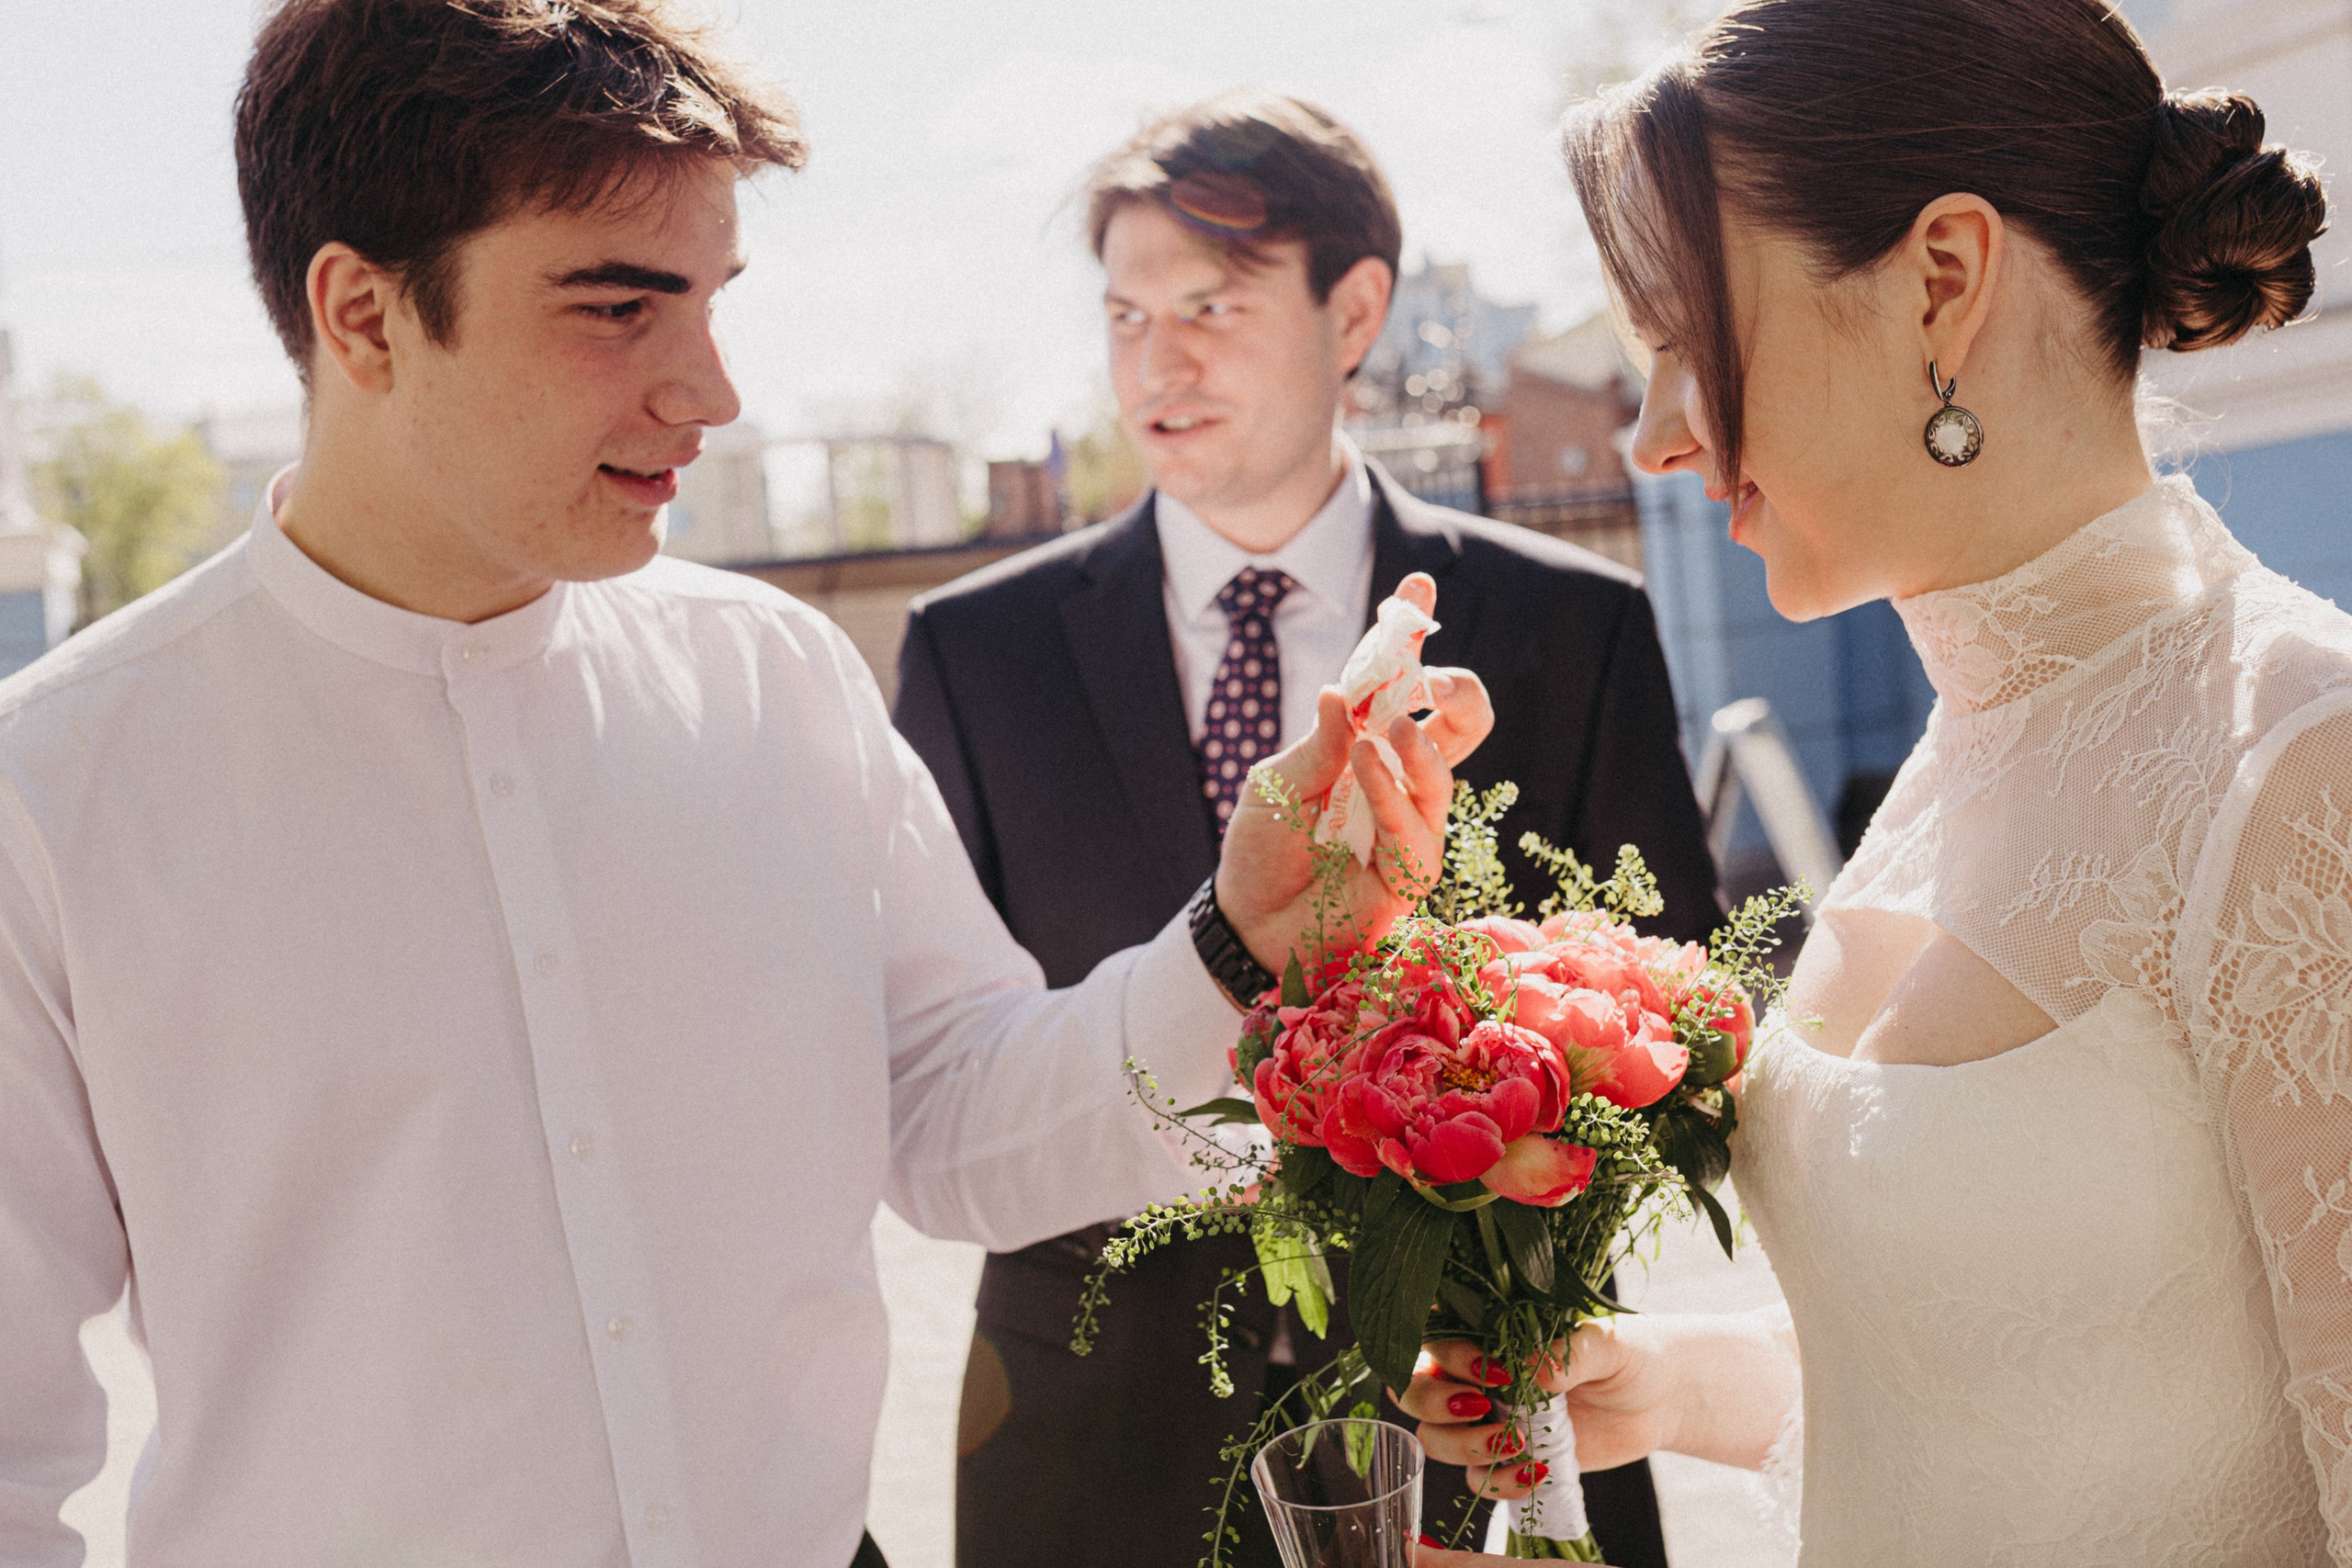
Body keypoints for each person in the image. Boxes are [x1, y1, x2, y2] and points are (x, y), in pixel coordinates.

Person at [0, 6, 1497, 1565]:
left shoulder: (774, 681)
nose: (710, 392)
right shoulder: (54, 796)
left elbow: (964, 1120)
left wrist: (1242, 941)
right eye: (618, 310)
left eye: (711, 304)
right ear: (364, 315)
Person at [1396, 1, 2347, 1562]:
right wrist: (1664, 1383)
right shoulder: (1963, 744)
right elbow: (2030, 1371)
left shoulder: (2300, 765)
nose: (1653, 437)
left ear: (1943, 281)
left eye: (1687, 343)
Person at [892, 93, 1714, 1568]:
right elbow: (938, 1072)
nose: (1161, 358)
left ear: (1355, 311)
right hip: (1088, 1458)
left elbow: (1681, 1010)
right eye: (1127, 315)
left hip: (1482, 1434)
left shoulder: (1566, 626)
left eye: (1210, 303)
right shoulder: (974, 654)